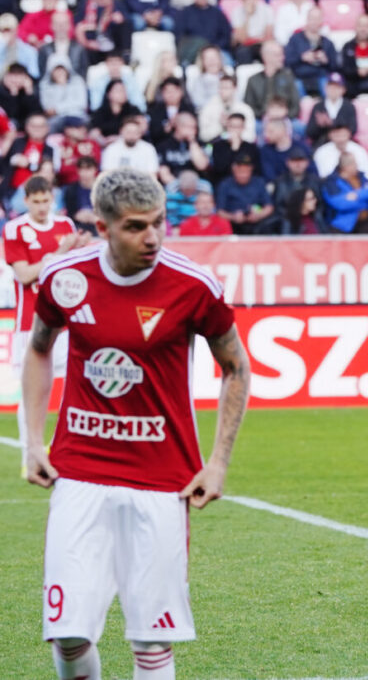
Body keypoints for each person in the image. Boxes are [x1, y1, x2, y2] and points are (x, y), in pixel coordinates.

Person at [22, 167, 250, 680]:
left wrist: (218, 462)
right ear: (103, 227)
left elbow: (236, 367)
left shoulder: (194, 285)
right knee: (68, 634)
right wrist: (33, 442)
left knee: (151, 640)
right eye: (135, 226)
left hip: (162, 480)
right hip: (79, 474)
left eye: (158, 223)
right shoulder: (65, 278)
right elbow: (38, 349)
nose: (152, 237)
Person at [4, 175, 85, 476]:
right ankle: (30, 455)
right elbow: (25, 275)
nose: (41, 207)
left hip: (65, 323)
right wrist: (60, 253)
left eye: (45, 201)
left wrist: (78, 250)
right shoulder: (15, 229)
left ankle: (64, 450)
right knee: (31, 392)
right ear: (26, 201)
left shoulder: (65, 226)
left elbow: (74, 271)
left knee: (76, 388)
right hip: (30, 324)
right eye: (35, 202)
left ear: (53, 199)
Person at [322, 152, 368, 234]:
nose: (357, 166)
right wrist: (366, 201)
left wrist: (357, 195)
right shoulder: (331, 182)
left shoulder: (361, 177)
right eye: (354, 163)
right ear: (345, 167)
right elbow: (340, 204)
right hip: (342, 227)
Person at [216, 153, 275, 234]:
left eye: (246, 171)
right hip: (233, 226)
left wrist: (259, 215)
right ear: (234, 169)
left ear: (251, 169)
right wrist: (233, 217)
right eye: (240, 171)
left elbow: (269, 207)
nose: (243, 175)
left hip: (257, 224)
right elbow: (220, 212)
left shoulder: (259, 182)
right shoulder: (225, 185)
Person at [286, 7, 339, 98]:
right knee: (294, 87)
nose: (314, 22)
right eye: (312, 18)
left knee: (330, 88)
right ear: (307, 19)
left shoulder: (327, 43)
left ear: (322, 21)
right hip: (299, 77)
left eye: (317, 18)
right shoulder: (295, 39)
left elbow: (335, 67)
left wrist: (326, 60)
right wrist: (302, 58)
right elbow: (287, 62)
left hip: (321, 78)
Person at [243, 40, 300, 119]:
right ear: (266, 57)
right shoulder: (253, 80)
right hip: (260, 120)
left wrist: (284, 114)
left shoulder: (288, 76)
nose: (282, 58)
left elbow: (295, 105)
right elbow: (248, 107)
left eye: (282, 54)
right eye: (278, 55)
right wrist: (264, 115)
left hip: (286, 119)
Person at [73, 0, 132, 66]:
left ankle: (125, 55)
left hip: (113, 45)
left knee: (125, 25)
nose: (99, 1)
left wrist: (120, 19)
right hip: (95, 45)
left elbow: (127, 21)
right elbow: (78, 23)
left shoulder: (118, 6)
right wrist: (88, 42)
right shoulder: (90, 6)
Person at [198, 75, 257, 145]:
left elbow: (251, 137)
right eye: (220, 88)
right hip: (215, 146)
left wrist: (234, 130)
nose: (222, 91)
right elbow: (203, 136)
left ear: (235, 89)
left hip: (240, 147)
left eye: (226, 88)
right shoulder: (208, 108)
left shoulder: (245, 110)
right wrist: (220, 126)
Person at [174, 0, 232, 64]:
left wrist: (214, 47)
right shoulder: (185, 13)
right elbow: (179, 36)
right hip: (193, 52)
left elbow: (226, 35)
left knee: (227, 61)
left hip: (215, 49)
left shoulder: (217, 13)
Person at [156, 112, 210, 185]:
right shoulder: (164, 146)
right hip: (173, 184)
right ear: (179, 126)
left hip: (196, 183)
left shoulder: (199, 144)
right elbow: (164, 174)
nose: (194, 131)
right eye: (189, 127)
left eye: (194, 127)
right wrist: (179, 186)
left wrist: (192, 142)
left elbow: (201, 166)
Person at [306, 74, 358, 147]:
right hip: (322, 144)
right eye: (331, 87)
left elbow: (353, 129)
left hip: (344, 144)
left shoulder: (349, 106)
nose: (333, 90)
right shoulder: (318, 106)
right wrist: (320, 125)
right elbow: (310, 132)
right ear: (325, 88)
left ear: (343, 90)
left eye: (337, 87)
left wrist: (332, 124)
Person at [209, 112, 261, 185]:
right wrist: (233, 150)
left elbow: (256, 171)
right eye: (232, 126)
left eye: (238, 127)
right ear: (227, 127)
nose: (235, 130)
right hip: (224, 185)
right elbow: (219, 170)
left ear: (243, 128)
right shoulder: (218, 146)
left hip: (247, 185)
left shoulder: (251, 148)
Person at [230, 0, 274, 65]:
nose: (250, 2)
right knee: (243, 52)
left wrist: (256, 40)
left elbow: (268, 36)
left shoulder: (267, 9)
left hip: (262, 44)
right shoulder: (236, 12)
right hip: (246, 46)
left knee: (270, 50)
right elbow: (242, 39)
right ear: (242, 0)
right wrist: (247, 16)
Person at [63, 156, 100, 234]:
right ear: (78, 171)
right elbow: (69, 212)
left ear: (95, 169)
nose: (85, 173)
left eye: (88, 169)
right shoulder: (71, 190)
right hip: (78, 227)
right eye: (82, 169)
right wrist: (76, 215)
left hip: (98, 226)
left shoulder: (102, 189)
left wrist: (96, 218)